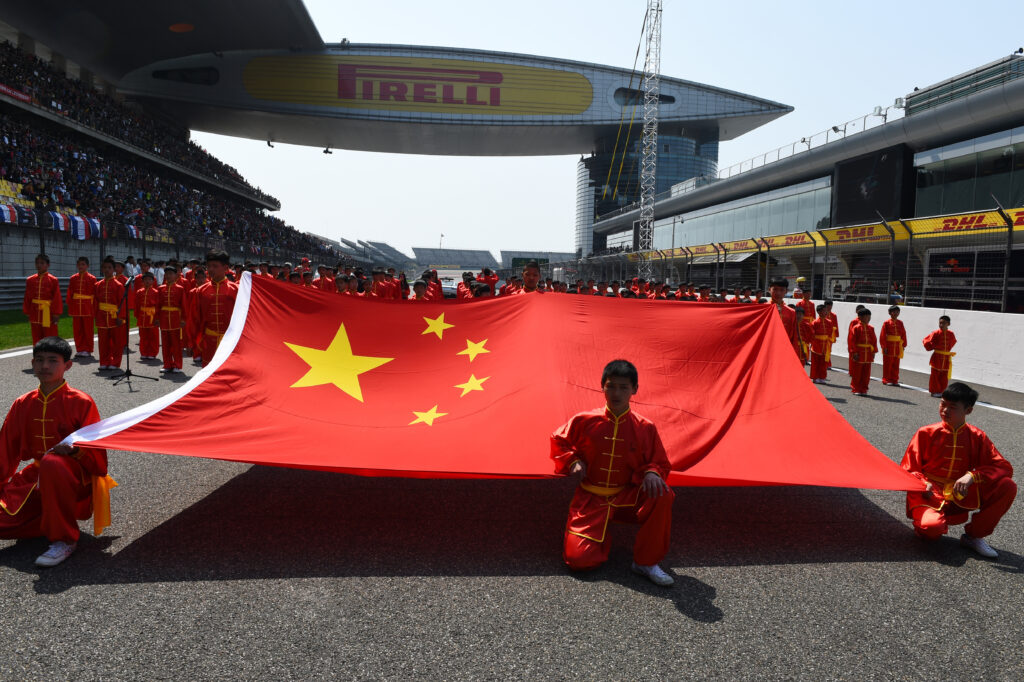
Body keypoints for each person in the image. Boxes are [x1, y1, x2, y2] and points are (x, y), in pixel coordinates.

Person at [550, 359, 675, 586]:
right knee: (579, 562)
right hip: (591, 498)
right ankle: (599, 534)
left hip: (626, 496)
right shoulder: (584, 420)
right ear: (602, 386)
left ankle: (646, 562)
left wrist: (652, 473)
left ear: (634, 389)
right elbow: (559, 440)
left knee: (662, 493)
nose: (616, 393)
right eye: (611, 386)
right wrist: (572, 461)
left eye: (623, 387)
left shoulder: (645, 427)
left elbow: (659, 462)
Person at [0, 336, 115, 567]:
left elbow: (99, 460)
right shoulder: (23, 403)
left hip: (73, 478)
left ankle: (64, 539)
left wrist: (73, 453)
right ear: (32, 364)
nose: (45, 366)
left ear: (67, 366)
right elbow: (6, 450)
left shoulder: (81, 402)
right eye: (39, 360)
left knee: (53, 463)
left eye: (53, 361)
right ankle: (48, 520)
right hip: (37, 476)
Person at [901, 382, 1016, 558]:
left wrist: (973, 476)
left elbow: (1003, 467)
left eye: (952, 407)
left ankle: (974, 536)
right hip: (929, 494)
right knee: (931, 531)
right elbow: (908, 468)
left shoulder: (977, 436)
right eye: (943, 404)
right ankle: (928, 524)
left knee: (1007, 486)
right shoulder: (925, 433)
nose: (945, 410)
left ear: (968, 411)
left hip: (961, 493)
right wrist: (923, 483)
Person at [192, 250, 238, 367]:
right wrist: (192, 342)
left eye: (215, 266)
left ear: (225, 268)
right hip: (209, 340)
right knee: (209, 373)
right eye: (209, 266)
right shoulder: (201, 291)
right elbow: (195, 318)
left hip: (230, 341)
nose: (211, 269)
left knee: (229, 372)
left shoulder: (236, 290)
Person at [93, 257, 126, 370]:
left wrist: (120, 317)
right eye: (105, 267)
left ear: (113, 270)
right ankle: (104, 361)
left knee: (117, 341)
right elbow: (95, 302)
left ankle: (115, 362)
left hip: (114, 316)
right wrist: (95, 315)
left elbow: (122, 302)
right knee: (103, 341)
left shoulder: (118, 285)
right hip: (102, 316)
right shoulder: (98, 285)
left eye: (109, 268)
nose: (107, 270)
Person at [24, 253, 63, 345]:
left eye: (42, 263)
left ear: (48, 265)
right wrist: (27, 311)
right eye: (37, 263)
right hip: (34, 311)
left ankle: (51, 355)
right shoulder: (30, 280)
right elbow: (27, 296)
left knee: (49, 335)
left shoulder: (53, 280)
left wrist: (56, 313)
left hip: (48, 312)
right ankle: (38, 356)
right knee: (36, 335)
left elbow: (56, 297)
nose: (39, 265)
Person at [157, 266, 186, 374]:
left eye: (171, 274)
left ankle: (177, 365)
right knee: (165, 344)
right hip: (164, 319)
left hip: (175, 319)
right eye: (167, 274)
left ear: (175, 275)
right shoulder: (161, 289)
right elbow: (158, 305)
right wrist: (157, 318)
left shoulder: (180, 288)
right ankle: (167, 364)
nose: (168, 276)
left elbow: (183, 305)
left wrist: (183, 319)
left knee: (176, 344)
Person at [67, 256, 97, 357]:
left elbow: (95, 294)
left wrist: (94, 308)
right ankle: (79, 348)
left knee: (88, 329)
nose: (81, 266)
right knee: (77, 329)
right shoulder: (73, 278)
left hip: (87, 307)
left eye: (83, 264)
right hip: (76, 307)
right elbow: (70, 293)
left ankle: (88, 349)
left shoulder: (92, 278)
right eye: (79, 264)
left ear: (87, 266)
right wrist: (70, 306)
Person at [923, 316, 956, 398]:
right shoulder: (935, 333)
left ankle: (942, 391)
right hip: (937, 356)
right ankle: (934, 391)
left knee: (944, 375)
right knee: (935, 375)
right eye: (940, 323)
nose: (941, 325)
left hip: (946, 357)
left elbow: (952, 342)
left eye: (943, 323)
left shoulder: (951, 334)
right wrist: (933, 346)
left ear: (948, 324)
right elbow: (926, 341)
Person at [847, 307, 877, 396]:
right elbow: (852, 341)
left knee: (866, 373)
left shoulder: (871, 328)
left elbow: (874, 340)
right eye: (866, 317)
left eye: (869, 317)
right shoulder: (856, 328)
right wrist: (854, 352)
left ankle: (864, 388)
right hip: (859, 352)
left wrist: (874, 351)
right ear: (860, 317)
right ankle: (856, 388)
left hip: (868, 352)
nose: (868, 319)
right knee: (857, 372)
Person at [768, 278, 798, 357]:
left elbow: (794, 336)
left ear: (786, 291)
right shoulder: (762, 309)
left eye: (782, 290)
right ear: (769, 290)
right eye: (775, 289)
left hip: (784, 350)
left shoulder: (791, 312)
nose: (778, 293)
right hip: (766, 349)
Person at [134, 271, 160, 359]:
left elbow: (158, 306)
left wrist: (157, 318)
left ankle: (152, 353)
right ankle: (144, 352)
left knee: (153, 336)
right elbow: (137, 305)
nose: (147, 281)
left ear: (153, 281)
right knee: (143, 336)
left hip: (152, 316)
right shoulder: (139, 292)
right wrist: (137, 315)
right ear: (142, 281)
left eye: (149, 279)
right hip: (142, 316)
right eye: (145, 280)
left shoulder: (156, 292)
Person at [880, 305, 908, 386]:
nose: (896, 313)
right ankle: (886, 379)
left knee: (896, 364)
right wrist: (884, 346)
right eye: (894, 311)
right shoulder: (886, 323)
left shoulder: (900, 322)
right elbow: (882, 335)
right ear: (890, 313)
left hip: (898, 346)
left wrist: (903, 345)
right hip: (889, 345)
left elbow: (903, 334)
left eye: (897, 311)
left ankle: (894, 379)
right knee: (888, 364)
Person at [809, 304, 832, 384]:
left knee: (824, 363)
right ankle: (815, 377)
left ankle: (822, 377)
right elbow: (811, 335)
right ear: (819, 312)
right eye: (824, 310)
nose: (826, 312)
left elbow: (830, 334)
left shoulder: (829, 322)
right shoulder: (814, 323)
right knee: (816, 362)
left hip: (825, 345)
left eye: (826, 310)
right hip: (816, 345)